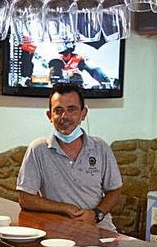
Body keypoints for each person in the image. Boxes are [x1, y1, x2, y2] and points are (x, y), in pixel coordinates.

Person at [16, 83, 123, 231]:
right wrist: (65, 208)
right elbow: (25, 199)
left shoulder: (100, 147)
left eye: (71, 109)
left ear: (83, 114)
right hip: (56, 231)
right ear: (50, 116)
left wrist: (96, 214)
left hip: (99, 228)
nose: (64, 116)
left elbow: (114, 190)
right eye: (58, 111)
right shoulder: (38, 149)